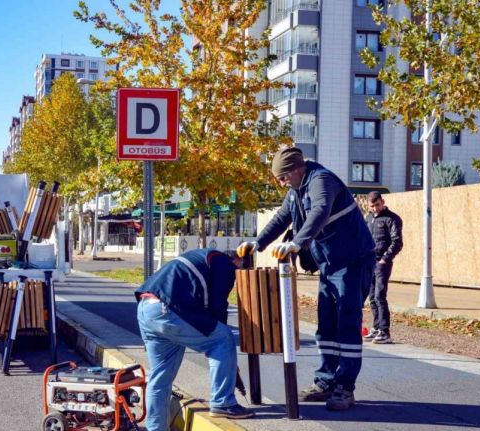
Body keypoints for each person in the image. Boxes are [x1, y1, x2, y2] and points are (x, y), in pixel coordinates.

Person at [238, 147, 375, 411]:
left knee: (347, 323)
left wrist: (298, 243)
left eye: (284, 177)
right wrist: (259, 243)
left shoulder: (321, 180)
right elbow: (281, 217)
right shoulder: (296, 190)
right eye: (279, 178)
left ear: (298, 169)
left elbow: (320, 210)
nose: (281, 183)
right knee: (326, 324)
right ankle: (325, 382)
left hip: (353, 261)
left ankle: (345, 388)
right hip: (330, 264)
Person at [135, 248, 254, 431]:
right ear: (236, 260)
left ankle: (156, 428)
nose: (239, 273)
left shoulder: (203, 257)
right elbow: (218, 305)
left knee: (161, 376)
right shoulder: (223, 262)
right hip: (167, 310)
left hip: (146, 308)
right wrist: (223, 346)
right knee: (223, 339)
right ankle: (223, 402)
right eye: (242, 267)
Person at [363, 191, 403, 344]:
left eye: (377, 205)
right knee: (372, 297)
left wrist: (385, 259)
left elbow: (397, 241)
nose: (375, 209)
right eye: (372, 206)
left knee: (380, 296)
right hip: (369, 262)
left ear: (383, 201)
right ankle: (376, 328)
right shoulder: (368, 219)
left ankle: (385, 332)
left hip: (382, 263)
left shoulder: (392, 219)